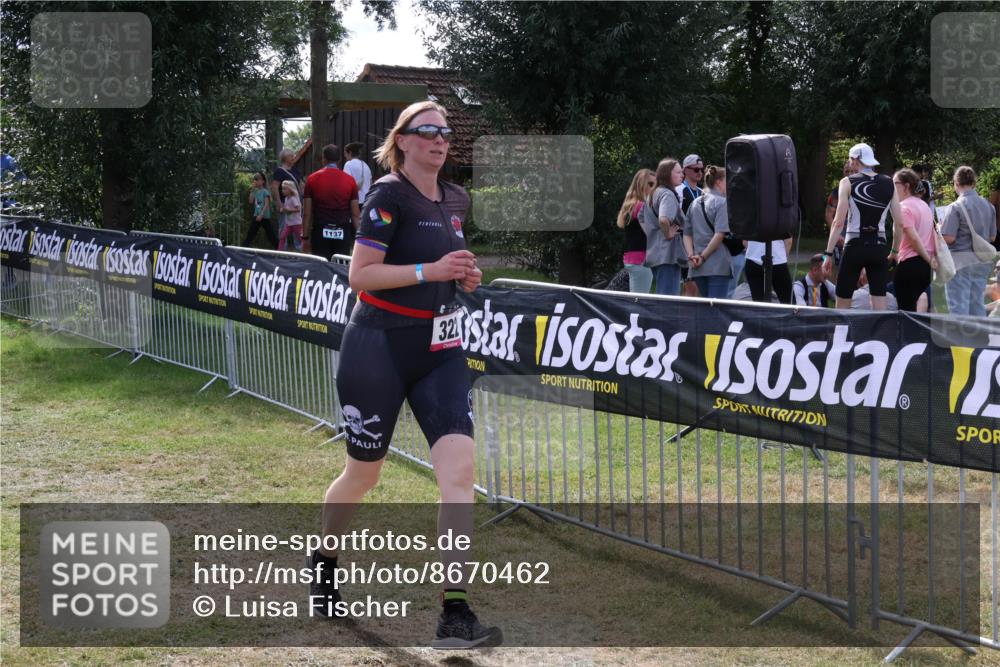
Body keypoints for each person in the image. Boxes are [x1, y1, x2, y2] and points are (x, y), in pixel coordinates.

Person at [308, 100, 501, 649]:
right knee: (363, 475)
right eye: (428, 132)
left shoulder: (457, 198)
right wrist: (431, 270)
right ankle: (324, 558)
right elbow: (361, 276)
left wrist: (462, 277)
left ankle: (455, 614)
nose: (440, 141)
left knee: (459, 475)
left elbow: (449, 261)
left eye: (445, 132)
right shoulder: (386, 195)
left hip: (440, 349)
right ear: (404, 140)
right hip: (378, 348)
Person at [823, 142, 902, 310]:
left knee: (842, 302)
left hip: (854, 246)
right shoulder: (889, 183)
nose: (850, 164)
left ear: (855, 160)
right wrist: (894, 251)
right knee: (879, 304)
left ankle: (840, 335)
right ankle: (877, 336)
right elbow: (899, 223)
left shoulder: (847, 182)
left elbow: (838, 222)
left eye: (850, 160)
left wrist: (827, 254)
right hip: (879, 247)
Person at [941, 165, 998, 317]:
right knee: (977, 305)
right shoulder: (989, 206)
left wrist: (939, 229)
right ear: (974, 183)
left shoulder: (955, 207)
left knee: (958, 308)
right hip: (982, 261)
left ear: (956, 183)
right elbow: (992, 237)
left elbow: (949, 238)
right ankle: (980, 339)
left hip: (960, 261)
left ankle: (961, 341)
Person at [891, 168, 938, 312]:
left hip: (910, 265)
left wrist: (929, 259)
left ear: (906, 186)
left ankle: (909, 335)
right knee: (920, 312)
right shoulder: (924, 205)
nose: (892, 187)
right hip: (924, 268)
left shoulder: (903, 207)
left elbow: (914, 239)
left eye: (895, 183)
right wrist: (930, 260)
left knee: (906, 312)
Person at [302, 144, 360, 259]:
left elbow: (307, 213)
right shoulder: (350, 180)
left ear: (324, 159)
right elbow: (355, 214)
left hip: (320, 230)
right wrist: (361, 238)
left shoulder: (312, 179)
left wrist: (305, 237)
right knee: (339, 268)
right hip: (343, 231)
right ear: (339, 160)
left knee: (321, 269)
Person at [683, 165, 732, 299]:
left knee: (706, 307)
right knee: (717, 309)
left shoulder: (694, 203)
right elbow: (719, 234)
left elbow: (686, 233)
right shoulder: (722, 203)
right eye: (728, 181)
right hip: (717, 265)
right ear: (719, 182)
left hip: (697, 267)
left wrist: (691, 255)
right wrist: (703, 257)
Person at [641, 159, 685, 296]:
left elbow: (642, 217)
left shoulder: (653, 193)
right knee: (668, 301)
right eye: (678, 172)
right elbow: (664, 219)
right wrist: (667, 234)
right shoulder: (667, 194)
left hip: (656, 253)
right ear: (667, 174)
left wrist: (653, 234)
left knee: (662, 297)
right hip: (668, 255)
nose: (682, 174)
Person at [617, 168, 656, 293]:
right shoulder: (641, 206)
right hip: (641, 260)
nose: (654, 188)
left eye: (656, 184)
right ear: (641, 185)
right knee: (639, 302)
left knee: (635, 300)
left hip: (632, 259)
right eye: (650, 184)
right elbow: (651, 234)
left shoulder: (631, 205)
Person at [676, 154, 704, 297]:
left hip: (698, 242)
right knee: (689, 285)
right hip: (683, 241)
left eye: (701, 169)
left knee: (697, 285)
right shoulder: (679, 190)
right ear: (685, 170)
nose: (699, 173)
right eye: (695, 169)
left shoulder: (702, 192)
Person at [825, 159, 857, 277]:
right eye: (846, 171)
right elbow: (829, 215)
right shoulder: (836, 192)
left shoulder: (863, 189)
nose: (849, 174)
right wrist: (837, 235)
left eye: (852, 171)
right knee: (841, 267)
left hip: (858, 233)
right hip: (841, 231)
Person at [272, 148, 303, 251]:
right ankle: (282, 252)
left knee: (298, 229)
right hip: (284, 206)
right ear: (285, 158)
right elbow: (275, 187)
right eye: (291, 156)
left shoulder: (295, 170)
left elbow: (300, 185)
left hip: (296, 205)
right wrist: (279, 203)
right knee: (283, 229)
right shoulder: (279, 171)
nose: (293, 157)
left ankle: (299, 252)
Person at [744, 238, 793, 303]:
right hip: (778, 260)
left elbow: (744, 241)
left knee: (758, 302)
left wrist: (755, 252)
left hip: (752, 259)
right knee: (789, 301)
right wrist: (783, 256)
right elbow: (788, 240)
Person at [242, 171, 278, 248]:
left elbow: (266, 204)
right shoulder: (255, 191)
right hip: (257, 216)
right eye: (255, 179)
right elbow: (251, 201)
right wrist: (252, 189)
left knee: (270, 234)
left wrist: (261, 214)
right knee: (251, 233)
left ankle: (278, 248)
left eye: (258, 179)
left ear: (263, 181)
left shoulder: (265, 191)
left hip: (264, 216)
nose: (256, 181)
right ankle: (244, 248)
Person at [277, 180, 303, 251]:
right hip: (289, 223)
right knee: (282, 237)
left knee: (300, 239)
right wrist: (283, 209)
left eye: (285, 189)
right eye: (282, 188)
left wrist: (288, 210)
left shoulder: (293, 199)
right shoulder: (286, 199)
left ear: (291, 189)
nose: (283, 190)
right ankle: (280, 252)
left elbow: (298, 209)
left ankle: (305, 251)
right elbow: (287, 209)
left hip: (296, 223)